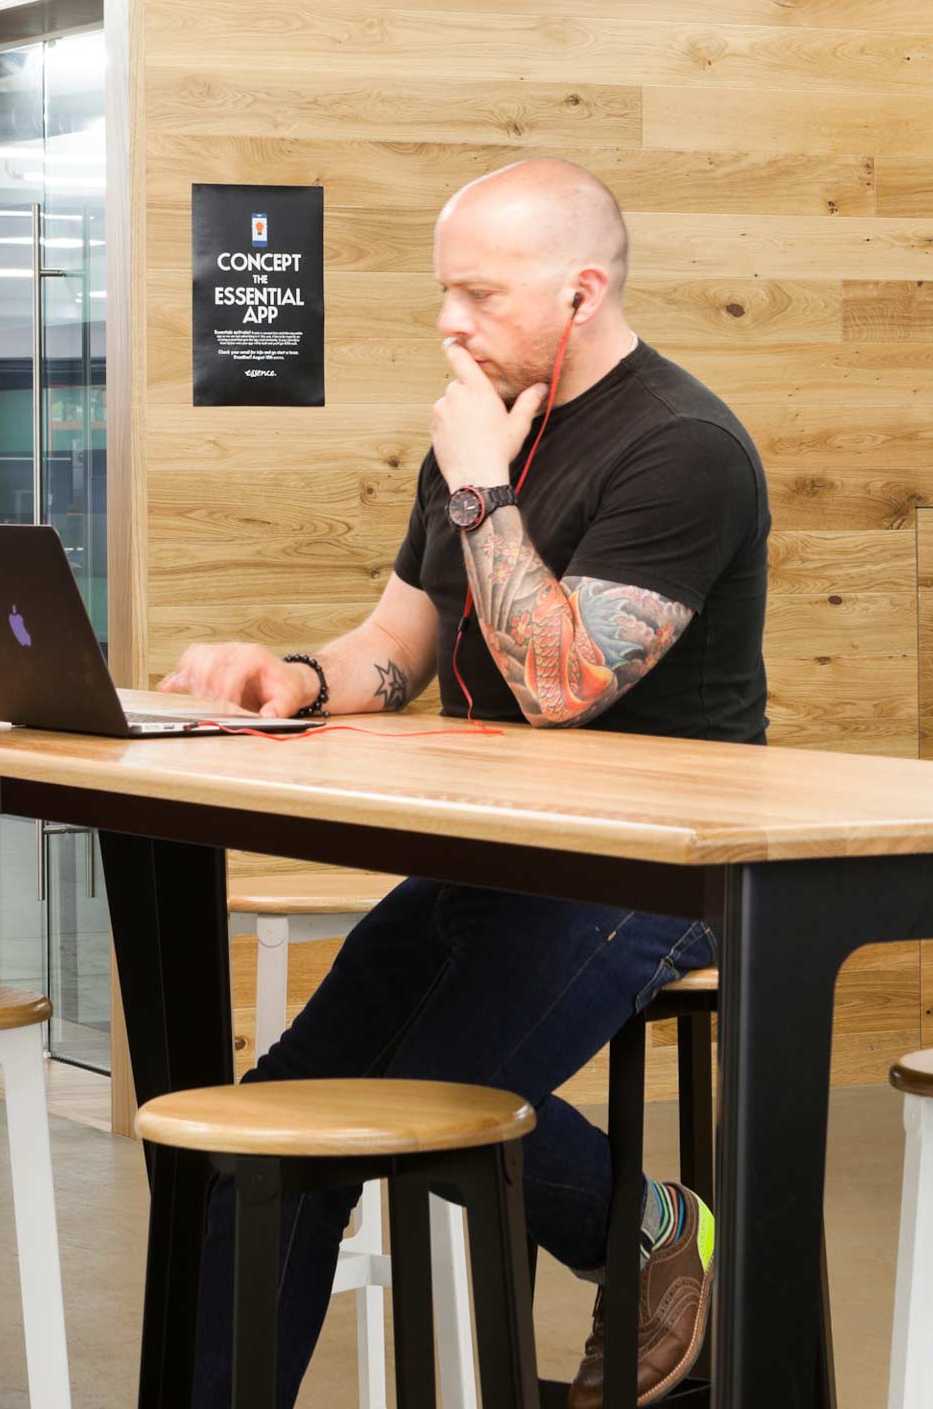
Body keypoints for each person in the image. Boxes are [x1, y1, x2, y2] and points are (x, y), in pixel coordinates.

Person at [160, 155, 771, 1408]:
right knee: (272, 1135)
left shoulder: (682, 448)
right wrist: (288, 678)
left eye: (481, 297)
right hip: (492, 851)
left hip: (653, 862)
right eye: (446, 294)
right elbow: (399, 645)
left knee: (414, 1110)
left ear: (582, 290)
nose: (450, 324)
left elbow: (560, 681)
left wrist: (482, 483)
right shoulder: (481, 428)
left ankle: (646, 1228)